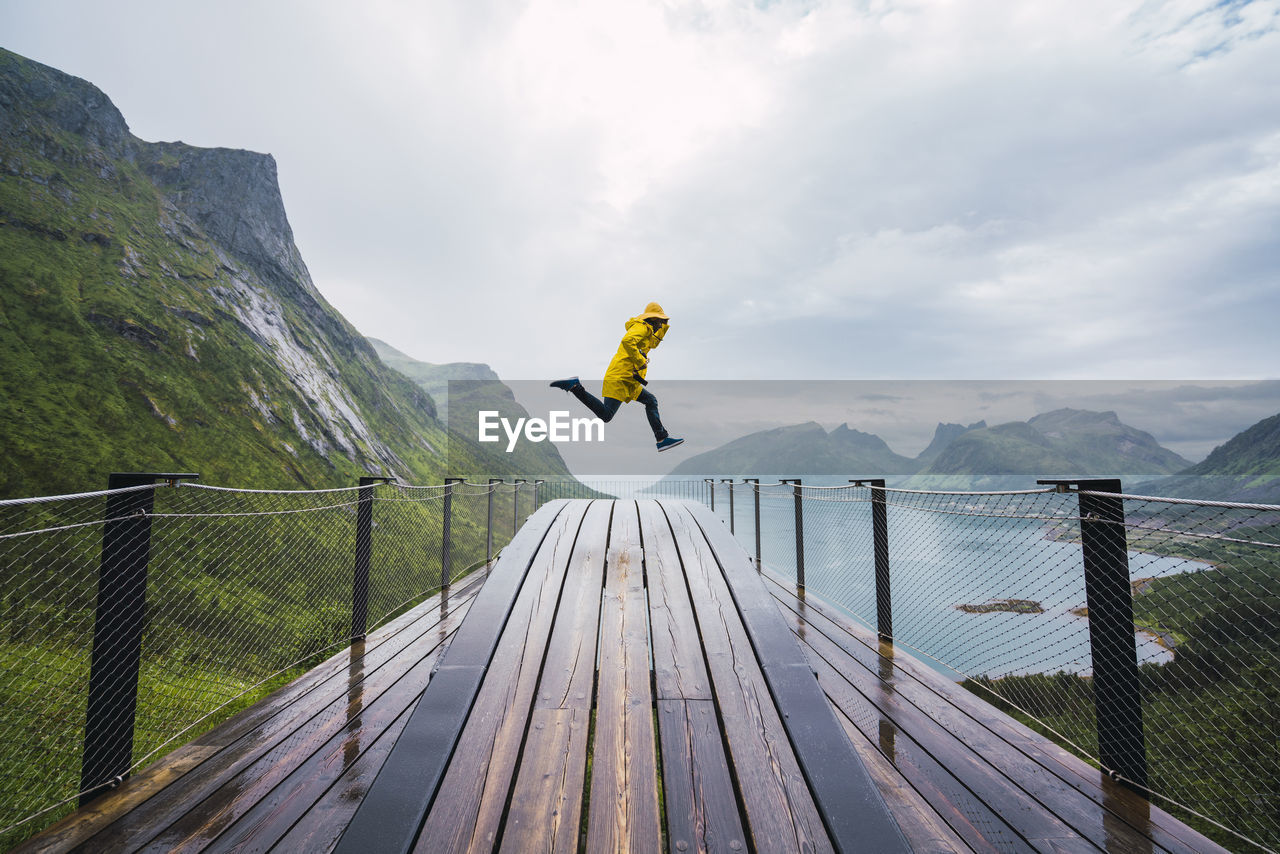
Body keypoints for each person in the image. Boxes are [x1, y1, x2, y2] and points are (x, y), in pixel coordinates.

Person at [550, 302, 684, 452]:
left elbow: (654, 342)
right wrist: (641, 361)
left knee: (650, 400)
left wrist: (664, 325)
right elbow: (627, 341)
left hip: (629, 381)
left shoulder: (648, 332)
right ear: (653, 319)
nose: (661, 325)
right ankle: (575, 387)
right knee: (607, 415)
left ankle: (662, 439)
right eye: (660, 321)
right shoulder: (641, 327)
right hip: (619, 378)